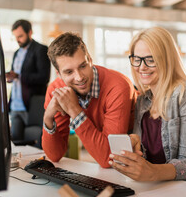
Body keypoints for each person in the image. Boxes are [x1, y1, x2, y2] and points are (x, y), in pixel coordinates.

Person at [109, 27, 186, 183]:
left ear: (167, 60)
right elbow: (147, 157)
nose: (141, 67)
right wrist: (135, 145)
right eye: (137, 59)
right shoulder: (142, 101)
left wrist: (152, 172)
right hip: (159, 186)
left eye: (150, 59)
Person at [42, 32, 137, 168]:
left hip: (138, 156)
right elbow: (54, 155)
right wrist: (47, 119)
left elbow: (108, 158)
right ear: (59, 74)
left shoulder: (118, 86)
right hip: (109, 160)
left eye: (83, 66)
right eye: (69, 72)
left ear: (90, 60)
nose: (79, 77)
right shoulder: (56, 90)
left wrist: (74, 110)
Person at [6, 19, 51, 141]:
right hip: (15, 106)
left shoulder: (40, 50)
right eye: (15, 37)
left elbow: (44, 77)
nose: (18, 40)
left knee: (35, 142)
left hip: (31, 104)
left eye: (20, 36)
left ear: (30, 32)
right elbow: (16, 76)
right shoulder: (16, 53)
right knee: (16, 142)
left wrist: (19, 76)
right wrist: (11, 78)